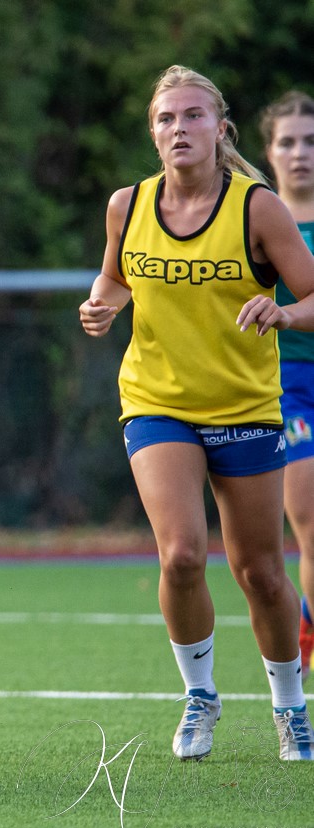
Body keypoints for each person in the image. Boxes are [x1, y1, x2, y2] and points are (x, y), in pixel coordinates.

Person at [79, 65, 314, 762]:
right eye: (165, 119)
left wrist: (283, 312)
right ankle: (200, 695)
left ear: (220, 128)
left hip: (245, 405)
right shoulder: (127, 205)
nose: (178, 128)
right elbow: (114, 276)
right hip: (156, 403)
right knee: (181, 554)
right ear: (152, 133)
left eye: (192, 116)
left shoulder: (257, 209)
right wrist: (102, 305)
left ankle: (289, 704)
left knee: (260, 572)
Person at [260, 90, 314, 683]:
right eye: (288, 142)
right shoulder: (253, 220)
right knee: (311, 523)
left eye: (311, 141)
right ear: (270, 151)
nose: (300, 153)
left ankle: (307, 620)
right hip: (289, 388)